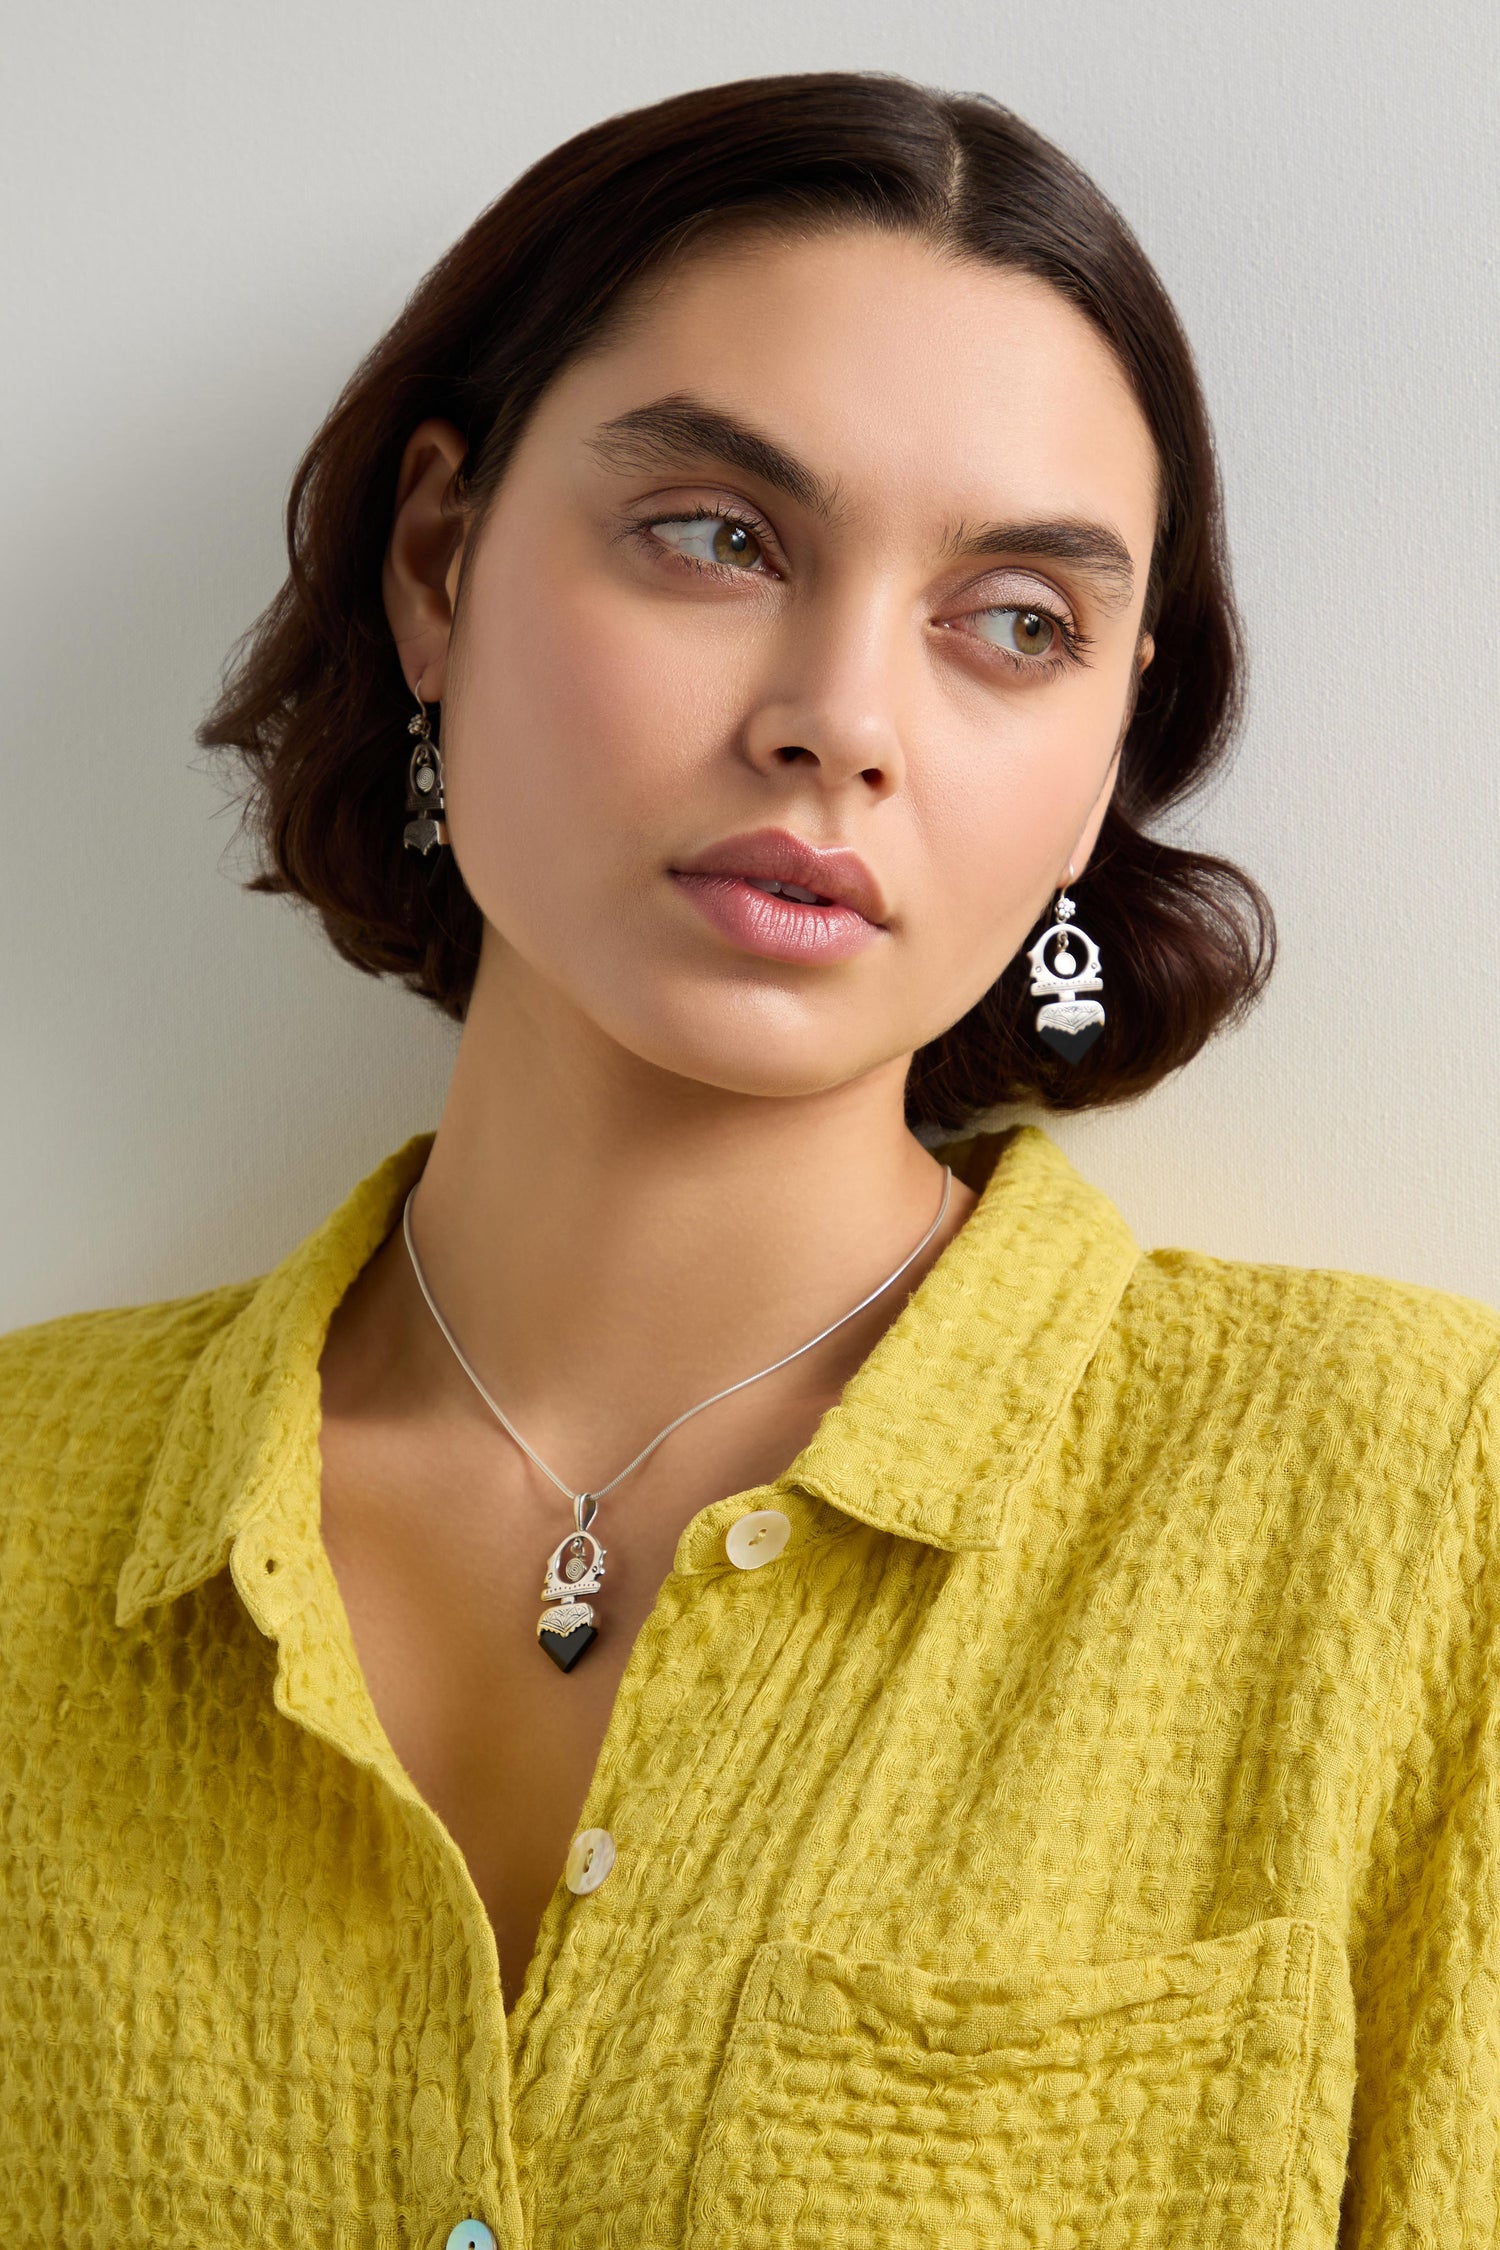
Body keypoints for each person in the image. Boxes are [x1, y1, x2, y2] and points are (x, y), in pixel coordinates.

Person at [1, 68, 1495, 2250]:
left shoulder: (1413, 1505)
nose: (841, 719)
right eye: (720, 536)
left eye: (1014, 623)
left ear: (1100, 762)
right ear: (442, 564)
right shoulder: (22, 1506)